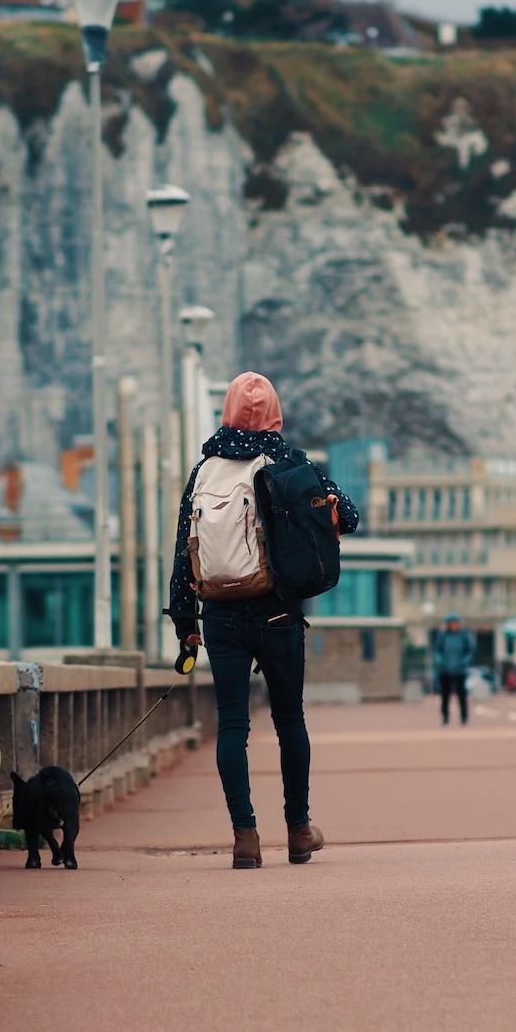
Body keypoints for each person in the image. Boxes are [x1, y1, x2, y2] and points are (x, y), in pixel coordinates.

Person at [168, 371, 359, 869]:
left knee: (232, 726)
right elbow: (351, 516)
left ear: (226, 412)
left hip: (221, 618)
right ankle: (298, 830)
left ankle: (245, 837)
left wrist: (186, 625)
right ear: (275, 413)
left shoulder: (204, 470)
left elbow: (182, 553)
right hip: (278, 612)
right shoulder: (290, 463)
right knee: (289, 721)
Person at [432, 612, 475, 725]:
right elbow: (437, 650)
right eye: (451, 623)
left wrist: (464, 662)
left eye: (456, 623)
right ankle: (445, 717)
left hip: (460, 669)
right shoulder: (443, 635)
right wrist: (440, 661)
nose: (454, 625)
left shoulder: (464, 635)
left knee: (462, 695)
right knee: (445, 695)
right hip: (445, 669)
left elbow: (469, 650)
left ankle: (464, 718)